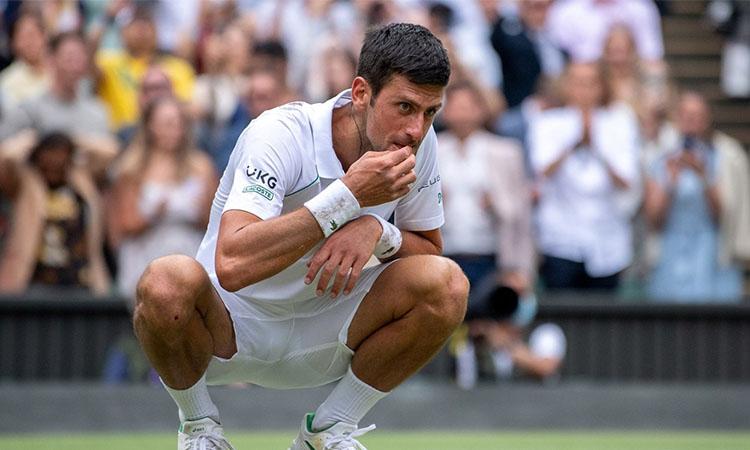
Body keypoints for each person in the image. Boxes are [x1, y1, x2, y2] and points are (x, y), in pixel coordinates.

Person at [132, 23, 468, 450]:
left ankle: (330, 430)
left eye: (430, 112)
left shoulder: (420, 143)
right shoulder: (280, 133)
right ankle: (200, 429)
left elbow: (429, 248)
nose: (416, 130)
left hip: (329, 333)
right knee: (165, 281)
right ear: (361, 93)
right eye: (404, 106)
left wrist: (376, 230)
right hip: (228, 331)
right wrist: (347, 198)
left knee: (448, 284)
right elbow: (233, 265)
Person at [529, 62, 641, 291]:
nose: (584, 90)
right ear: (566, 86)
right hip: (560, 239)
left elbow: (626, 179)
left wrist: (596, 144)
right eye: (578, 83)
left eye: (591, 83)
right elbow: (542, 170)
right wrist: (574, 140)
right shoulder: (548, 122)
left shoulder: (620, 122)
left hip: (608, 242)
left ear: (602, 87)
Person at [644, 91, 750, 302]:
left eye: (697, 115)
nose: (691, 121)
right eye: (685, 115)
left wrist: (704, 177)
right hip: (670, 255)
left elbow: (726, 214)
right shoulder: (662, 156)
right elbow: (653, 218)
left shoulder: (727, 154)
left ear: (707, 118)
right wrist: (670, 183)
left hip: (711, 255)